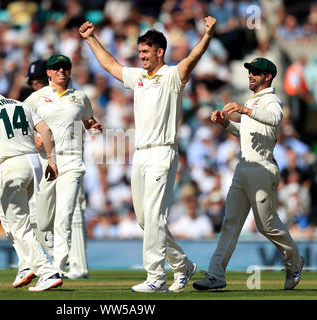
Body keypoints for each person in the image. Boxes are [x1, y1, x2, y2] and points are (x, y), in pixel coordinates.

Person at [79, 16, 217, 293]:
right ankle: (183, 265)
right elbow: (110, 66)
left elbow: (191, 59)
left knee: (155, 218)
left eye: (145, 51)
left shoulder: (172, 76)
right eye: (139, 51)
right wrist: (90, 39)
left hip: (162, 153)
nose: (141, 56)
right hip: (140, 155)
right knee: (145, 220)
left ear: (159, 52)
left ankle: (156, 277)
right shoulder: (138, 77)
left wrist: (207, 35)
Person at [193, 57, 304, 291]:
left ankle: (294, 261)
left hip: (262, 169)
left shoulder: (272, 100)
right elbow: (245, 132)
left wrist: (245, 109)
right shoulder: (252, 101)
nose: (250, 75)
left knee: (267, 225)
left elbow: (275, 119)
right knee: (230, 223)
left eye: (255, 72)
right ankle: (216, 274)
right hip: (243, 169)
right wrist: (226, 124)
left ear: (268, 77)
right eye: (250, 71)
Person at [0, 78, 63, 292]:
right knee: (6, 216)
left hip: (12, 165)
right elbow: (46, 131)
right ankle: (26, 265)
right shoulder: (22, 105)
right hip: (34, 164)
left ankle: (47, 272)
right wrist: (51, 160)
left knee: (18, 222)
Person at [23, 54, 102, 277]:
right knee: (44, 219)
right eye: (56, 68)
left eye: (65, 67)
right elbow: (20, 123)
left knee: (65, 214)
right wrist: (33, 137)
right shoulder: (36, 98)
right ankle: (55, 257)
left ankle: (57, 269)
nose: (61, 71)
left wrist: (93, 125)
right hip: (47, 162)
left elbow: (87, 119)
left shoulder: (80, 97)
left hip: (72, 161)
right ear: (48, 72)